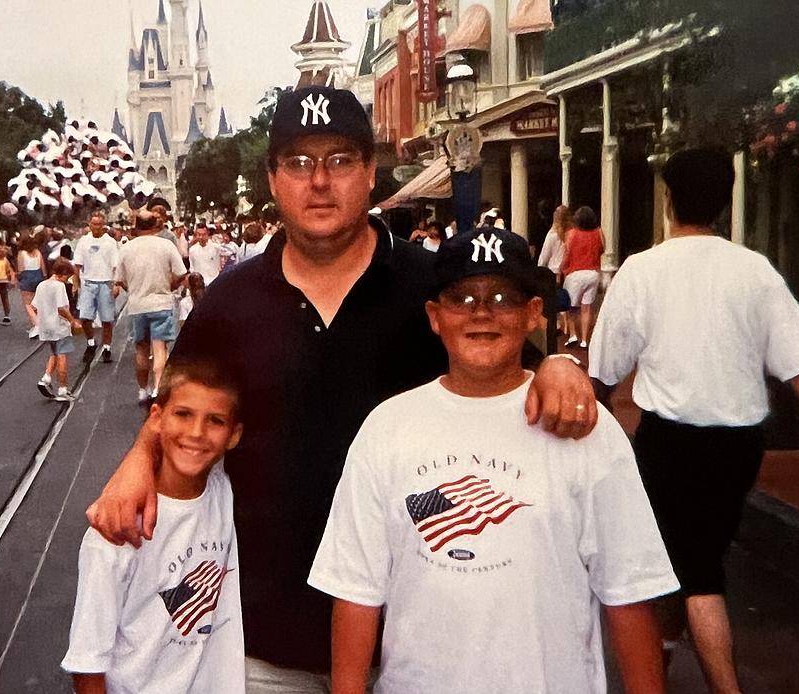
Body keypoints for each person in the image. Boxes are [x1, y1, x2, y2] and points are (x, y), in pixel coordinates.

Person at [87, 85, 597, 690]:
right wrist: (136, 462)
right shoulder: (230, 302)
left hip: (419, 643)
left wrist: (560, 367)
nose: (319, 182)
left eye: (339, 161)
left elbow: (512, 365)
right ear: (274, 178)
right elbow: (174, 409)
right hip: (266, 644)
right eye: (299, 163)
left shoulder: (429, 287)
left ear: (370, 173)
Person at [310, 228, 678, 694]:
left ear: (532, 315)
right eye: (461, 297)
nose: (480, 312)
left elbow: (629, 594)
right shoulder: (387, 428)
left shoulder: (585, 427)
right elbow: (357, 592)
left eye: (502, 297)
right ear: (434, 317)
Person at [588, 147, 799, 694]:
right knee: (691, 555)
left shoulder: (643, 270)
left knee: (694, 568)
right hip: (740, 448)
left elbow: (605, 369)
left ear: (668, 200)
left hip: (670, 445)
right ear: (724, 201)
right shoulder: (755, 272)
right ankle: (662, 652)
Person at [62, 359, 246, 694]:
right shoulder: (115, 532)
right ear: (157, 418)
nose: (196, 433)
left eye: (215, 421)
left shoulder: (223, 492)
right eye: (183, 414)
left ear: (234, 435)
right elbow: (87, 663)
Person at [114, 210, 187, 404]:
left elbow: (119, 279)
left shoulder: (126, 248)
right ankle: (157, 388)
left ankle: (142, 389)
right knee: (160, 347)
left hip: (137, 305)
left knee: (141, 349)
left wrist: (133, 290)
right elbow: (181, 273)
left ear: (136, 226)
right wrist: (169, 286)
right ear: (156, 225)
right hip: (161, 302)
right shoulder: (166, 246)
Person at [74, 211, 120, 364]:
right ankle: (91, 343)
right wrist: (76, 283)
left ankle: (107, 347)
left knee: (107, 319)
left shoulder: (110, 242)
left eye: (100, 224)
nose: (97, 227)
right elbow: (78, 264)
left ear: (103, 225)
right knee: (85, 317)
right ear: (89, 225)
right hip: (88, 282)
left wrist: (115, 284)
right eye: (94, 224)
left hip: (106, 283)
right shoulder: (83, 241)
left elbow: (115, 266)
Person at [34, 257, 82, 402]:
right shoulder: (59, 286)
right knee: (62, 355)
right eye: (68, 276)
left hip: (45, 326)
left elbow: (35, 305)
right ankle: (62, 389)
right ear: (62, 273)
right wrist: (72, 321)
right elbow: (61, 308)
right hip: (59, 326)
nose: (68, 280)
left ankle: (46, 378)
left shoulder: (41, 285)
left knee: (54, 352)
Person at [561, 206, 604, 348]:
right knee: (587, 307)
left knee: (571, 306)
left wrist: (562, 267)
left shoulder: (572, 233)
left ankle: (573, 335)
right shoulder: (599, 232)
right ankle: (585, 340)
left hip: (575, 273)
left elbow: (567, 253)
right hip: (593, 273)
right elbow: (602, 249)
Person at [538, 205, 573, 337]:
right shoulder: (571, 234)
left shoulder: (552, 235)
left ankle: (557, 326)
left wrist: (540, 268)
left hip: (553, 271)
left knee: (554, 301)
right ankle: (569, 329)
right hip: (567, 271)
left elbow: (544, 255)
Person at [18, 233, 48, 338]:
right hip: (38, 276)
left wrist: (19, 279)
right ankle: (37, 324)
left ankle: (36, 325)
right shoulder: (37, 252)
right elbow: (43, 267)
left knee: (28, 304)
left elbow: (21, 269)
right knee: (37, 302)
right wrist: (44, 277)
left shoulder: (21, 253)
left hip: (27, 277)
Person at [0, 244, 16, 325]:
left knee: (4, 298)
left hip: (3, 281)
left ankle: (7, 315)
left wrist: (12, 280)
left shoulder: (5, 260)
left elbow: (9, 271)